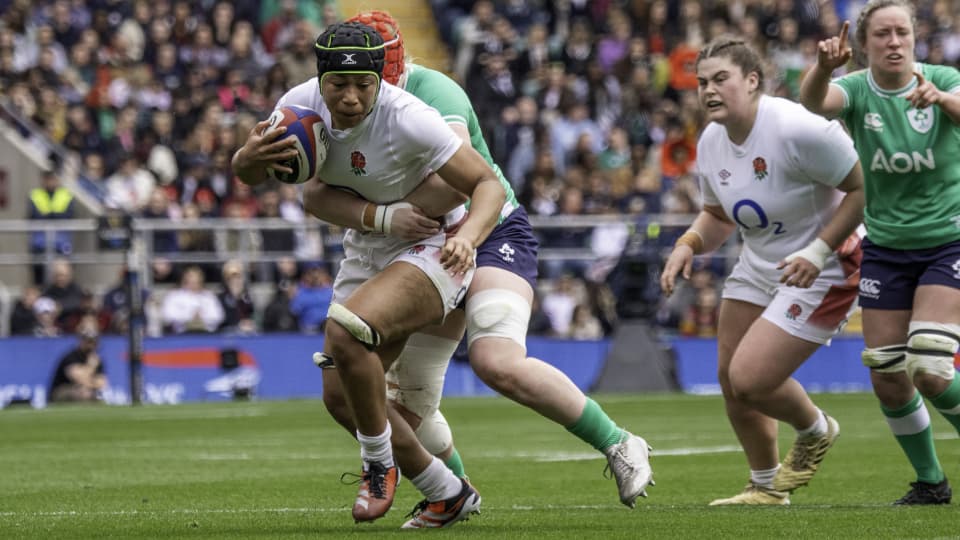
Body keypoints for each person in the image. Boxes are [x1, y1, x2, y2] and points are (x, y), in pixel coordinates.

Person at [304, 9, 653, 514]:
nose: (358, 95)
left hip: (485, 230)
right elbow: (311, 192)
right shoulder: (330, 100)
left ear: (391, 70)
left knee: (496, 360)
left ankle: (618, 441)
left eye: (373, 80)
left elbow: (457, 185)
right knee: (405, 402)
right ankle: (455, 492)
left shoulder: (434, 93)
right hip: (416, 243)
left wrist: (386, 214)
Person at [231, 22, 504, 528]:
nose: (351, 97)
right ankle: (448, 492)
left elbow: (487, 183)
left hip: (433, 245)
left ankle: (377, 465)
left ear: (381, 81)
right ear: (320, 78)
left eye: (363, 85)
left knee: (346, 331)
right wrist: (245, 159)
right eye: (339, 84)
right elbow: (261, 176)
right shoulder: (297, 107)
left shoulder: (411, 117)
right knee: (341, 398)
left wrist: (469, 237)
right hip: (365, 249)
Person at [661, 36, 866, 505]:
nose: (708, 90)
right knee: (730, 381)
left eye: (721, 79)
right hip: (760, 262)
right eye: (701, 82)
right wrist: (687, 244)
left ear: (753, 82)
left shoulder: (800, 127)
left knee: (751, 379)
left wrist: (818, 251)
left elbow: (862, 189)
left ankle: (816, 428)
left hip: (826, 266)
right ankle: (768, 486)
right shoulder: (712, 140)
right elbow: (716, 216)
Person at [799, 0, 960, 505]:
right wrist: (824, 67)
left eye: (902, 33)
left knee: (930, 368)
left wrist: (943, 101)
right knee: (888, 375)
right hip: (887, 247)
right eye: (883, 35)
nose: (894, 42)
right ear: (864, 45)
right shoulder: (856, 90)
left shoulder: (942, 77)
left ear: (915, 39)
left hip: (948, 240)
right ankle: (931, 483)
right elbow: (813, 103)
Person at [49, 318, 107, 403]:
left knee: (95, 395)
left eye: (93, 342)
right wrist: (91, 366)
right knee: (82, 392)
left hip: (87, 389)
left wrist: (91, 384)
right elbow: (80, 379)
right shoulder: (71, 357)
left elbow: (102, 383)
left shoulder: (96, 358)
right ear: (81, 341)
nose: (91, 345)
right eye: (88, 341)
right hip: (63, 390)